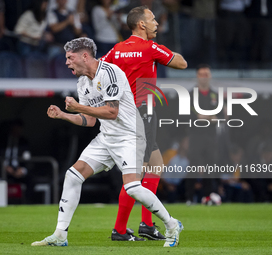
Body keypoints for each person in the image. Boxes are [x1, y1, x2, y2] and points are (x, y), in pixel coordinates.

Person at [31, 37, 183, 248]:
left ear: (84, 56)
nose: (66, 62)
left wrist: (78, 108)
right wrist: (64, 115)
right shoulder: (83, 82)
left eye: (70, 58)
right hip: (107, 137)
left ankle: (172, 224)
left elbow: (112, 111)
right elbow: (90, 120)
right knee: (73, 175)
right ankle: (60, 235)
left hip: (130, 136)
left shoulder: (110, 72)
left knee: (132, 187)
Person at [100, 5, 187, 240]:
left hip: (124, 113)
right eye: (152, 20)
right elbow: (181, 63)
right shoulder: (150, 47)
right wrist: (161, 52)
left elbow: (99, 69)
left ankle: (146, 225)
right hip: (143, 112)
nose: (157, 24)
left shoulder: (116, 50)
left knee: (155, 165)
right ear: (141, 25)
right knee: (135, 175)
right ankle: (119, 229)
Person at [185, 64, 223, 205]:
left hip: (211, 136)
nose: (204, 77)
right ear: (197, 76)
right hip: (196, 136)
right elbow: (185, 116)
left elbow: (221, 115)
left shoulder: (215, 95)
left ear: (210, 76)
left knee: (210, 166)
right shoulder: (190, 95)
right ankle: (189, 198)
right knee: (193, 166)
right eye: (201, 74)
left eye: (206, 74)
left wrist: (211, 118)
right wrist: (200, 118)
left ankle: (207, 197)